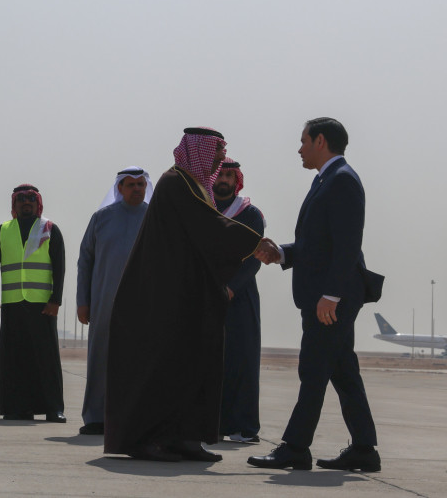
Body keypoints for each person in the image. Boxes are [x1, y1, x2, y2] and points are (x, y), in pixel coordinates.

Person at [104, 127, 263, 462]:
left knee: (190, 369)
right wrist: (255, 243)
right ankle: (145, 440)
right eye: (216, 151)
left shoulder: (196, 188)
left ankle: (185, 438)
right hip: (159, 298)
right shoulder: (175, 183)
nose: (220, 157)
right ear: (198, 150)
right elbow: (209, 227)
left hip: (184, 299)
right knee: (158, 371)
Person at [248, 118, 381, 472]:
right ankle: (364, 450)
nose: (299, 149)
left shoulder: (342, 180)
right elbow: (317, 245)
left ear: (320, 141)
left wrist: (332, 295)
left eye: (304, 141)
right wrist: (282, 253)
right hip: (327, 294)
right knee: (342, 370)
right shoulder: (326, 180)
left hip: (331, 298)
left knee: (313, 367)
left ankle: (295, 447)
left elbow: (347, 244)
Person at [76, 167, 152, 435]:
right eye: (130, 185)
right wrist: (83, 301)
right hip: (104, 303)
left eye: (140, 184)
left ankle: (134, 419)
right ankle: (96, 418)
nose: (136, 189)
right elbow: (85, 260)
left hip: (144, 305)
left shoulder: (155, 218)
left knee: (139, 362)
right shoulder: (101, 218)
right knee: (100, 359)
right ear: (120, 188)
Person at [0, 184, 66, 423]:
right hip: (12, 304)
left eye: (31, 198)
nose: (26, 202)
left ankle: (53, 408)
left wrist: (56, 300)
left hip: (42, 306)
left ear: (37, 202)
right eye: (21, 199)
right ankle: (16, 408)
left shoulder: (49, 229)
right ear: (14, 204)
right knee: (14, 360)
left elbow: (59, 267)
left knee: (46, 360)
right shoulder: (2, 230)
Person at [213, 159, 265, 444]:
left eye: (229, 175)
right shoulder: (202, 208)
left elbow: (254, 257)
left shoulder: (249, 213)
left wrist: (232, 288)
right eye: (219, 174)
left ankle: (244, 427)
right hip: (206, 294)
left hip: (240, 296)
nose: (223, 179)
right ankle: (212, 425)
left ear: (237, 180)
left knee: (242, 360)